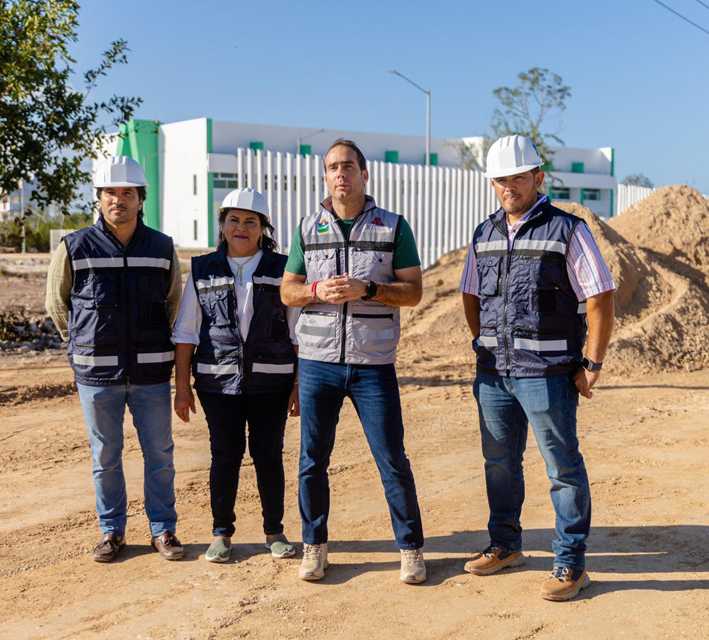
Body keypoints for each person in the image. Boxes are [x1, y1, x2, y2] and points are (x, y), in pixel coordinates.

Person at [459, 135, 616, 601]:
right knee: (498, 464)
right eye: (501, 180)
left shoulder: (568, 229)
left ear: (538, 177)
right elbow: (470, 294)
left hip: (547, 374)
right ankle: (505, 545)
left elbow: (601, 296)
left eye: (518, 178)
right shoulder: (483, 233)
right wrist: (479, 342)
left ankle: (570, 562)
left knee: (561, 468)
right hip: (493, 373)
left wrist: (593, 364)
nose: (510, 186)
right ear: (493, 183)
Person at [280, 139, 427, 584]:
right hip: (318, 363)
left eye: (348, 166)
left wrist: (370, 288)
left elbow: (415, 293)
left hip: (373, 364)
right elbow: (287, 291)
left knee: (391, 458)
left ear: (365, 174)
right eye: (332, 168)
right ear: (324, 177)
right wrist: (314, 292)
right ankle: (314, 546)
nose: (340, 174)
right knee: (311, 461)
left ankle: (411, 549)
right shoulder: (307, 228)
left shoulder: (393, 227)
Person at [45, 156, 184, 563]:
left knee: (159, 454)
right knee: (105, 458)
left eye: (128, 193)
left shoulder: (162, 247)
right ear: (99, 197)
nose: (118, 199)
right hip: (96, 374)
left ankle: (163, 530)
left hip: (150, 372)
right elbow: (57, 304)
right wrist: (82, 346)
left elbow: (172, 301)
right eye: (111, 192)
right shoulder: (74, 245)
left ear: (141, 199)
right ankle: (112, 531)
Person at [172, 187, 300, 563]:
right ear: (222, 225)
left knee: (268, 455)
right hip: (217, 384)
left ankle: (274, 532)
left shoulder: (284, 269)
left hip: (271, 383)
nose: (241, 227)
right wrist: (182, 388)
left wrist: (297, 385)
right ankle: (221, 533)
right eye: (234, 220)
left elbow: (296, 333)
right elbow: (186, 333)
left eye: (250, 221)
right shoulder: (202, 269)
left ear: (263, 228)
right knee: (224, 455)